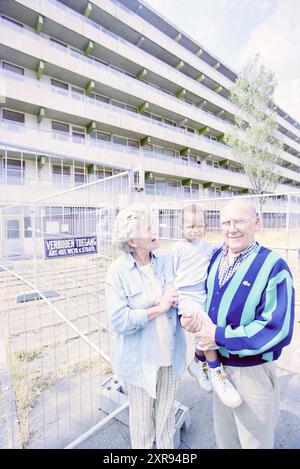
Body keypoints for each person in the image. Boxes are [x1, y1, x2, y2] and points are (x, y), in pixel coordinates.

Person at [181, 199, 295, 449]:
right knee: (226, 441)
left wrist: (219, 335)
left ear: (257, 222)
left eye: (239, 221)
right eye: (226, 222)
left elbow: (278, 329)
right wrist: (193, 320)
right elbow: (198, 296)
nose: (232, 229)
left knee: (255, 442)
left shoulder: (274, 266)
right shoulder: (213, 257)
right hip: (218, 369)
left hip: (251, 373)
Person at [105, 203, 186, 449]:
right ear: (132, 241)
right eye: (149, 227)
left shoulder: (166, 260)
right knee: (141, 424)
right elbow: (119, 320)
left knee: (165, 418)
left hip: (170, 354)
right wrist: (159, 307)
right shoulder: (117, 272)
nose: (156, 230)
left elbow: (180, 291)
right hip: (140, 360)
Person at [172, 204, 242, 408]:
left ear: (206, 227)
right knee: (206, 330)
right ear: (181, 227)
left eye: (199, 226)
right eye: (190, 226)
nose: (195, 230)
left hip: (203, 294)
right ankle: (216, 370)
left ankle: (196, 361)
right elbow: (169, 274)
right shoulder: (177, 249)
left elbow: (224, 249)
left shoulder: (208, 247)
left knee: (212, 323)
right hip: (185, 296)